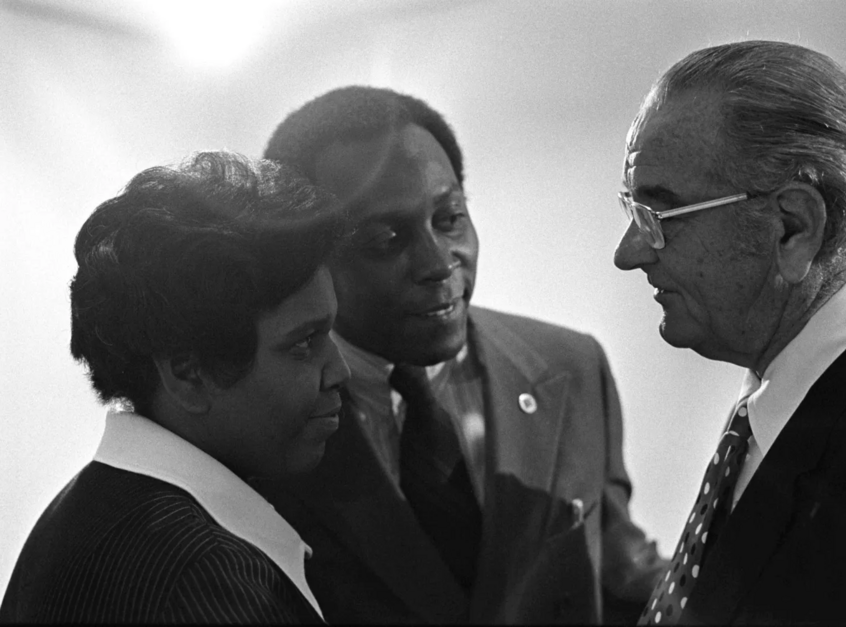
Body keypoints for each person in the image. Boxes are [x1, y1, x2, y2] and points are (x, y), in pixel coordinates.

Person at [250, 86, 667, 624]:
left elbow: (620, 572)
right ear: (305, 258)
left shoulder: (569, 366)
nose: (438, 262)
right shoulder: (265, 418)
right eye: (387, 238)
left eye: (449, 218)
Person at [613, 40, 846, 625]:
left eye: (656, 217)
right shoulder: (777, 407)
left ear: (792, 228)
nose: (628, 255)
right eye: (630, 211)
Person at [0, 152, 351, 623]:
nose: (341, 369)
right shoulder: (207, 577)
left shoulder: (96, 507)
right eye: (305, 343)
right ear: (189, 374)